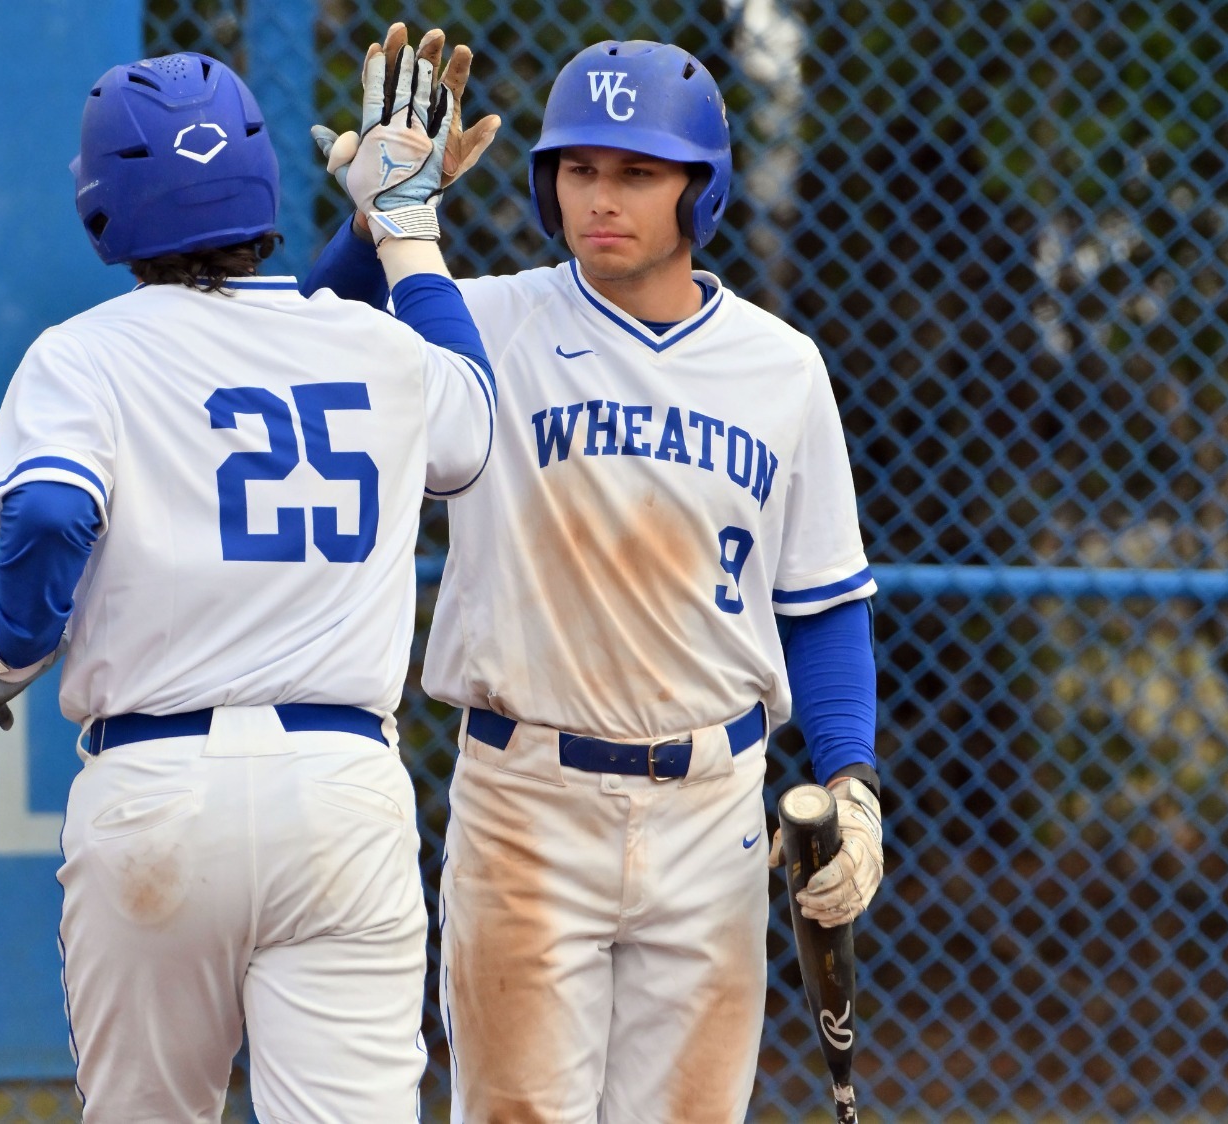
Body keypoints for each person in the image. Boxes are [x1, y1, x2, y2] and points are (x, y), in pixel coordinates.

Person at [305, 38, 884, 1122]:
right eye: (578, 169)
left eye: (636, 172)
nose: (600, 198)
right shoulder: (482, 319)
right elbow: (304, 345)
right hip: (528, 799)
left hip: (713, 809)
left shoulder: (781, 365)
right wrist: (378, 222)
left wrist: (851, 781)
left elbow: (820, 603)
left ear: (699, 191)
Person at [0, 41, 497, 1123]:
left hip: (158, 789)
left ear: (101, 205)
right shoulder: (371, 346)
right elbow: (470, 422)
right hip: (338, 791)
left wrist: (10, 659)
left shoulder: (82, 354)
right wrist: (398, 226)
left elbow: (51, 514)